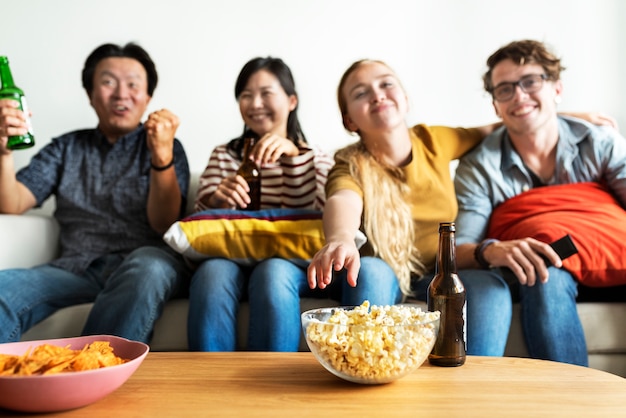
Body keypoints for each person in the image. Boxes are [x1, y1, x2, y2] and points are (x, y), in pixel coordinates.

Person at [306, 58, 616, 357]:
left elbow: (500, 126)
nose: (377, 95)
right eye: (361, 93)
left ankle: (471, 390)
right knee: (370, 271)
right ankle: (367, 367)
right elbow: (343, 198)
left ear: (406, 98)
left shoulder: (434, 140)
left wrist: (564, 117)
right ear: (349, 120)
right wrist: (341, 238)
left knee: (489, 285)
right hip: (385, 270)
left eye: (386, 84)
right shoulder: (348, 162)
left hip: (442, 271)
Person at [0, 42, 190, 344]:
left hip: (143, 264)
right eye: (108, 82)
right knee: (3, 289)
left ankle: (90, 375)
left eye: (133, 84)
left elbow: (163, 222)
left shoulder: (167, 146)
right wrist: (4, 152)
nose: (120, 94)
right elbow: (12, 202)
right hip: (76, 269)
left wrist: (161, 154)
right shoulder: (65, 148)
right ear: (90, 94)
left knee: (150, 268)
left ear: (148, 97)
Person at [453, 39, 624, 366]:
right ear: (495, 106)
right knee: (546, 269)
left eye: (530, 82)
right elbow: (459, 248)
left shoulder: (600, 141)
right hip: (543, 276)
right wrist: (491, 249)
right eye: (505, 90)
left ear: (557, 89)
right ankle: (569, 405)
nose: (519, 95)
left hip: (611, 262)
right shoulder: (480, 166)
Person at [187, 57, 334, 352]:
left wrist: (294, 158)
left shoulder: (315, 157)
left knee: (273, 271)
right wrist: (217, 200)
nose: (255, 103)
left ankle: (270, 382)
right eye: (245, 95)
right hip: (229, 260)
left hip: (291, 262)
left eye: (266, 93)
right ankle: (207, 383)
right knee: (212, 272)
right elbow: (197, 226)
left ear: (292, 101)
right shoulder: (224, 155)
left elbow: (326, 214)